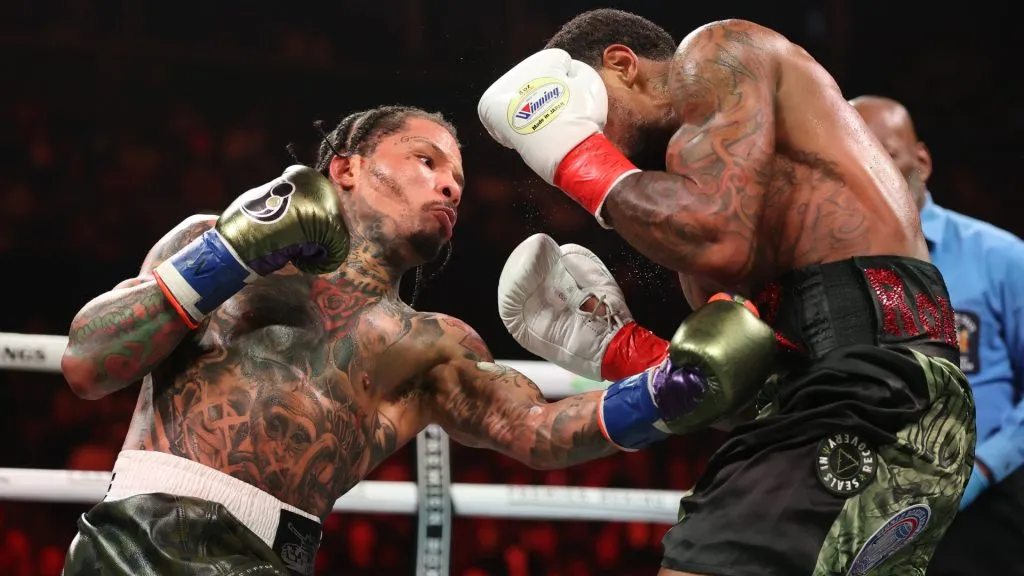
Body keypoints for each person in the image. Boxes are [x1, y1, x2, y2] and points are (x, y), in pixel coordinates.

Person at [58, 104, 773, 576]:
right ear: (347, 169)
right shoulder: (212, 245)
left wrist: (666, 392)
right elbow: (89, 362)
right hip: (127, 544)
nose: (452, 188)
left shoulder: (433, 345)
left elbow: (535, 428)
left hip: (271, 560)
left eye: (459, 179)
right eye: (427, 161)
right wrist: (231, 252)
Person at [477, 9, 977, 576]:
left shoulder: (718, 52)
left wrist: (569, 149)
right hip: (848, 402)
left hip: (877, 387)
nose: (587, 139)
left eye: (583, 117)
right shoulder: (700, 228)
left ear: (621, 65)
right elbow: (738, 397)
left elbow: (720, 239)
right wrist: (620, 351)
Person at [852, 95, 1024, 576]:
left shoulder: (1001, 257)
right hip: (871, 504)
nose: (868, 168)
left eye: (882, 151)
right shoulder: (831, 276)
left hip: (989, 506)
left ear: (921, 161)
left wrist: (986, 468)